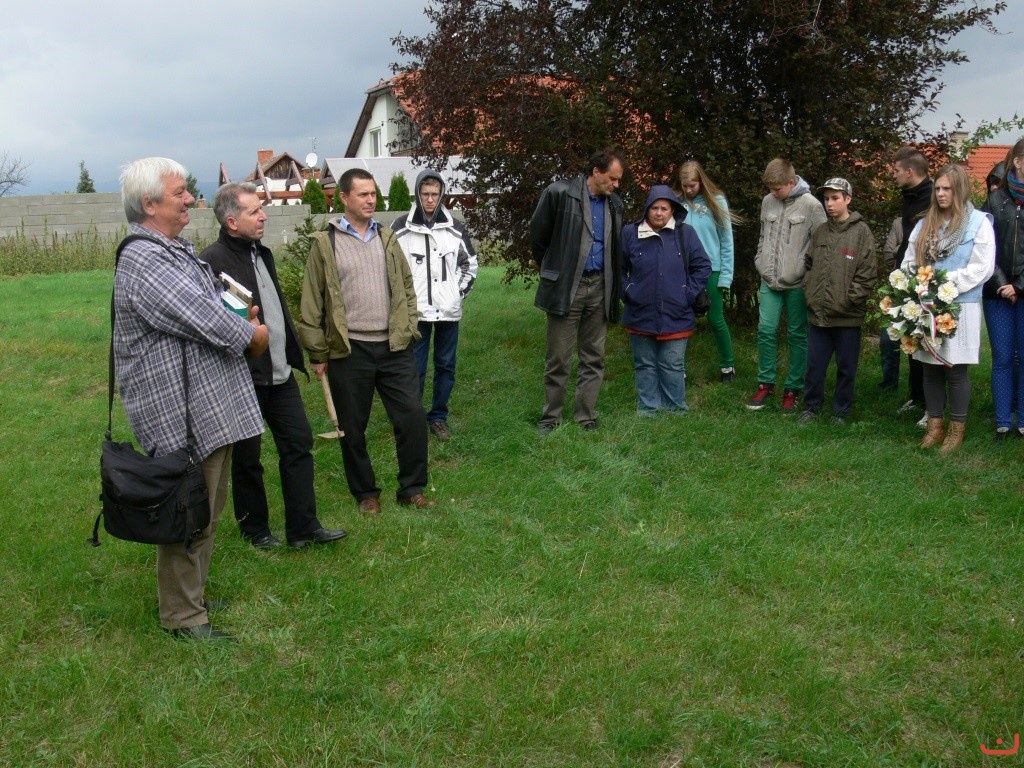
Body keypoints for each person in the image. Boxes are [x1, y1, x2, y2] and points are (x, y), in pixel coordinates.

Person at [114, 158, 268, 642]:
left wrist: (240, 317)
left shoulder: (173, 251)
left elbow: (211, 306)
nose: (189, 199)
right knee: (187, 509)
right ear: (149, 204)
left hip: (204, 405)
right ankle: (182, 616)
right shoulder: (145, 259)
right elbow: (203, 316)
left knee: (208, 508)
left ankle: (192, 595)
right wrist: (251, 334)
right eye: (179, 192)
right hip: (178, 411)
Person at [200, 182, 347, 549]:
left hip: (279, 373)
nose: (263, 216)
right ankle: (256, 532)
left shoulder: (261, 253)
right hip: (243, 377)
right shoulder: (212, 261)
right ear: (232, 222)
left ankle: (303, 528)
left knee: (298, 445)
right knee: (247, 459)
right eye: (254, 211)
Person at [299, 168, 434, 513]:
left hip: (394, 346)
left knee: (411, 417)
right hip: (350, 350)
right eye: (363, 194)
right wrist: (317, 351)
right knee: (353, 427)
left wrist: (409, 323)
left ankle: (412, 489)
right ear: (344, 198)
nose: (371, 200)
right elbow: (312, 301)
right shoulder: (325, 244)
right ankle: (366, 494)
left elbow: (406, 287)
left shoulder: (387, 238)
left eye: (373, 194)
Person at [531, 148, 626, 434]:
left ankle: (586, 416)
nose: (617, 184)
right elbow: (538, 235)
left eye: (619, 179)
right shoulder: (559, 193)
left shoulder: (615, 204)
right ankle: (551, 418)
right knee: (558, 357)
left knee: (594, 357)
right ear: (596, 172)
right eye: (613, 178)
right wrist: (553, 269)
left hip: (600, 286)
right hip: (567, 286)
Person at [902, 163, 995, 454]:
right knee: (929, 368)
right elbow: (908, 261)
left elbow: (982, 268)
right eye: (938, 188)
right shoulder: (924, 223)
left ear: (960, 190)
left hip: (961, 305)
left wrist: (943, 281)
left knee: (955, 370)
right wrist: (917, 283)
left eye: (947, 189)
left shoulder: (978, 223)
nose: (941, 194)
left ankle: (957, 429)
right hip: (927, 304)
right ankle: (934, 426)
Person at [392, 170, 478, 441]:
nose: (430, 199)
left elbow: (470, 265)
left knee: (445, 366)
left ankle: (438, 417)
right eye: (425, 194)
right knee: (414, 368)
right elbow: (391, 270)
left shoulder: (455, 228)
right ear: (417, 194)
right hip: (416, 314)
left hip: (448, 313)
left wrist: (456, 294)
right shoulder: (400, 229)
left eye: (435, 194)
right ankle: (413, 419)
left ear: (441, 196)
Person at [621, 185, 711, 413]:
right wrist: (628, 290)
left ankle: (675, 408)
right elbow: (618, 269)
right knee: (645, 364)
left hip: (677, 312)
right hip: (640, 312)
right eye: (654, 208)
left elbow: (702, 266)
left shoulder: (685, 233)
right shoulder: (630, 233)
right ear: (647, 209)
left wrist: (687, 294)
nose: (659, 213)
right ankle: (648, 408)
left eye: (664, 208)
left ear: (673, 211)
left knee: (672, 364)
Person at [747, 158, 826, 412]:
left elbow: (821, 244)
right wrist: (760, 260)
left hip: (797, 283)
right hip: (769, 279)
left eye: (777, 188)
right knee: (765, 330)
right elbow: (763, 236)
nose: (773, 192)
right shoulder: (767, 202)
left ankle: (793, 388)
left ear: (791, 183)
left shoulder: (812, 205)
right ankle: (765, 384)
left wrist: (807, 273)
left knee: (797, 334)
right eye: (769, 188)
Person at [797, 178, 876, 425]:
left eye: (835, 198)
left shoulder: (861, 233)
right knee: (814, 365)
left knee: (846, 367)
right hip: (818, 314)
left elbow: (867, 274)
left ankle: (841, 411)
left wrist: (847, 300)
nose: (829, 204)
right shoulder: (821, 231)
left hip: (847, 316)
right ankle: (811, 407)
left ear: (848, 199)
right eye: (826, 199)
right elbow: (809, 264)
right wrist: (810, 292)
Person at [676, 160, 741, 382]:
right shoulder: (677, 204)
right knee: (682, 319)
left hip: (712, 269)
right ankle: (678, 369)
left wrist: (725, 276)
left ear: (701, 182)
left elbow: (726, 240)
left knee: (715, 319)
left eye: (692, 185)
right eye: (685, 186)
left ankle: (728, 366)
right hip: (684, 271)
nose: (688, 190)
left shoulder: (716, 201)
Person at [982, 139, 1024, 439]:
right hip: (997, 293)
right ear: (1018, 162)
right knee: (1003, 357)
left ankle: (1022, 420)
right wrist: (1001, 284)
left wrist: (1019, 286)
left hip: (1023, 291)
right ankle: (1002, 422)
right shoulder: (994, 201)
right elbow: (985, 247)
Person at [889, 147, 933, 421]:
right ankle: (917, 397)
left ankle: (932, 405)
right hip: (907, 277)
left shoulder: (932, 198)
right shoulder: (909, 196)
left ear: (909, 171)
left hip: (927, 279)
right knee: (911, 340)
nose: (893, 175)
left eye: (895, 170)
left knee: (927, 341)